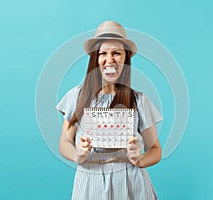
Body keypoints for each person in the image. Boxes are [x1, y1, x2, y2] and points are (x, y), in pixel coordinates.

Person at [56, 21, 163, 200]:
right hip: (91, 182)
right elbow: (64, 142)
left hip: (131, 183)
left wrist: (140, 159)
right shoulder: (76, 96)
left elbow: (156, 149)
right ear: (95, 59)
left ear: (125, 59)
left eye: (117, 53)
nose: (109, 60)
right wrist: (78, 154)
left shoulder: (139, 101)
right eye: (103, 53)